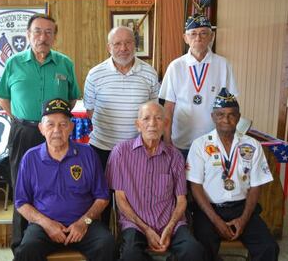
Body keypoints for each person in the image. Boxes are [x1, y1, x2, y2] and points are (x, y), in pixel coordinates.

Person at [0, 14, 81, 250]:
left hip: (57, 134)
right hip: (24, 132)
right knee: (22, 189)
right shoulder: (13, 63)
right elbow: (4, 98)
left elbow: (72, 98)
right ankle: (22, 246)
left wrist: (53, 123)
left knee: (55, 185)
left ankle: (56, 238)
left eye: (49, 32)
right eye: (38, 32)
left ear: (55, 36)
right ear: (28, 34)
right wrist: (22, 120)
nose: (43, 37)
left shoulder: (65, 64)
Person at [14, 98, 115, 261]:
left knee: (107, 244)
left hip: (85, 225)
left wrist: (84, 222)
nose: (57, 130)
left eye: (63, 124)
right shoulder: (30, 158)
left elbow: (102, 197)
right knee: (27, 249)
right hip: (44, 227)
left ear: (72, 127)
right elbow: (21, 202)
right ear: (41, 128)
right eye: (50, 124)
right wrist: (46, 224)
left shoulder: (88, 154)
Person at [187, 88, 279, 261]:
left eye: (231, 115)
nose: (226, 120)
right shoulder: (200, 145)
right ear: (213, 117)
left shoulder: (253, 145)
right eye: (221, 115)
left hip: (242, 208)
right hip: (209, 210)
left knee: (268, 247)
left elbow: (256, 186)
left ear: (239, 117)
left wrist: (243, 220)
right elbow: (195, 187)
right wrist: (216, 221)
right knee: (200, 249)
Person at [106, 101, 205, 261]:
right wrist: (146, 230)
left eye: (158, 118)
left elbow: (181, 201)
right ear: (138, 125)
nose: (152, 124)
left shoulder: (175, 156)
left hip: (171, 224)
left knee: (193, 250)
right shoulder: (121, 153)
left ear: (165, 124)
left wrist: (170, 227)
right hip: (135, 224)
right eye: (146, 119)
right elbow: (120, 200)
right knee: (131, 255)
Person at [83, 26, 159, 224]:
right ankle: (105, 246)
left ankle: (131, 246)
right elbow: (90, 111)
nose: (123, 48)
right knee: (102, 201)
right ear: (109, 47)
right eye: (117, 43)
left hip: (137, 151)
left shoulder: (149, 73)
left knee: (135, 203)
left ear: (135, 45)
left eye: (128, 43)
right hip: (102, 148)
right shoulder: (95, 74)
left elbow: (154, 112)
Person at [158, 13, 238, 158]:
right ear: (185, 38)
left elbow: (231, 107)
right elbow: (168, 108)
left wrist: (228, 138)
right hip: (180, 142)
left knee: (209, 181)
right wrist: (167, 141)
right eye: (193, 34)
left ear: (211, 36)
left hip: (213, 142)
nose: (198, 38)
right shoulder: (176, 66)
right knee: (180, 181)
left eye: (203, 33)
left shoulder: (223, 65)